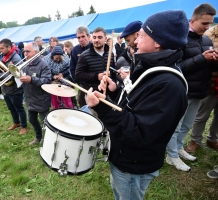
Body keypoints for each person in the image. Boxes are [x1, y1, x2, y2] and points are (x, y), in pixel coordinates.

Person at [86, 10, 189, 200]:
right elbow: (136, 103)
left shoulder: (169, 85)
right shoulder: (150, 67)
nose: (136, 41)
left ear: (157, 42)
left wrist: (101, 106)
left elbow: (140, 133)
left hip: (134, 163)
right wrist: (115, 90)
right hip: (124, 155)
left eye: (141, 35)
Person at [166, 3, 217, 171]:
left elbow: (207, 66)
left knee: (187, 125)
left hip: (200, 90)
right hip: (183, 90)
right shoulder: (180, 40)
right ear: (192, 20)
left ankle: (179, 148)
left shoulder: (207, 39)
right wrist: (202, 59)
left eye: (210, 23)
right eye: (204, 23)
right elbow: (175, 66)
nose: (207, 27)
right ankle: (171, 156)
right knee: (176, 125)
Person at [186, 24, 218, 153]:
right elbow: (200, 60)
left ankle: (212, 138)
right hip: (210, 83)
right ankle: (195, 140)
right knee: (202, 115)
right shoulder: (208, 35)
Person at [0, 38, 27, 135]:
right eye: (0, 48)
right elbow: (4, 71)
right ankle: (16, 122)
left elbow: (14, 74)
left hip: (15, 88)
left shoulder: (15, 58)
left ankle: (24, 126)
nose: (0, 50)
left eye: (2, 48)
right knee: (11, 108)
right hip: (6, 88)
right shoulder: (5, 57)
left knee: (19, 108)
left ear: (9, 47)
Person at [19, 42, 51, 145]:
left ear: (36, 52)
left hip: (41, 99)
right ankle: (38, 136)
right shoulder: (25, 64)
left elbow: (46, 81)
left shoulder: (43, 65)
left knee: (45, 122)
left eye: (28, 51)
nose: (25, 54)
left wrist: (31, 79)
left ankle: (48, 140)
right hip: (30, 98)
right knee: (31, 119)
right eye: (24, 51)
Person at [75, 27, 116, 92]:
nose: (96, 40)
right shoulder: (84, 55)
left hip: (109, 94)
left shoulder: (110, 54)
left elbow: (113, 73)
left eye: (100, 37)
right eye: (94, 37)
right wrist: (96, 76)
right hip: (93, 94)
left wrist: (114, 83)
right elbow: (78, 74)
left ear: (105, 39)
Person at [69, 26, 91, 107]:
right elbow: (72, 68)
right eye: (79, 37)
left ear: (88, 36)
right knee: (83, 105)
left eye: (83, 36)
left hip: (95, 83)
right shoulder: (75, 50)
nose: (81, 39)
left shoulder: (94, 47)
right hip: (82, 85)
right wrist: (78, 81)